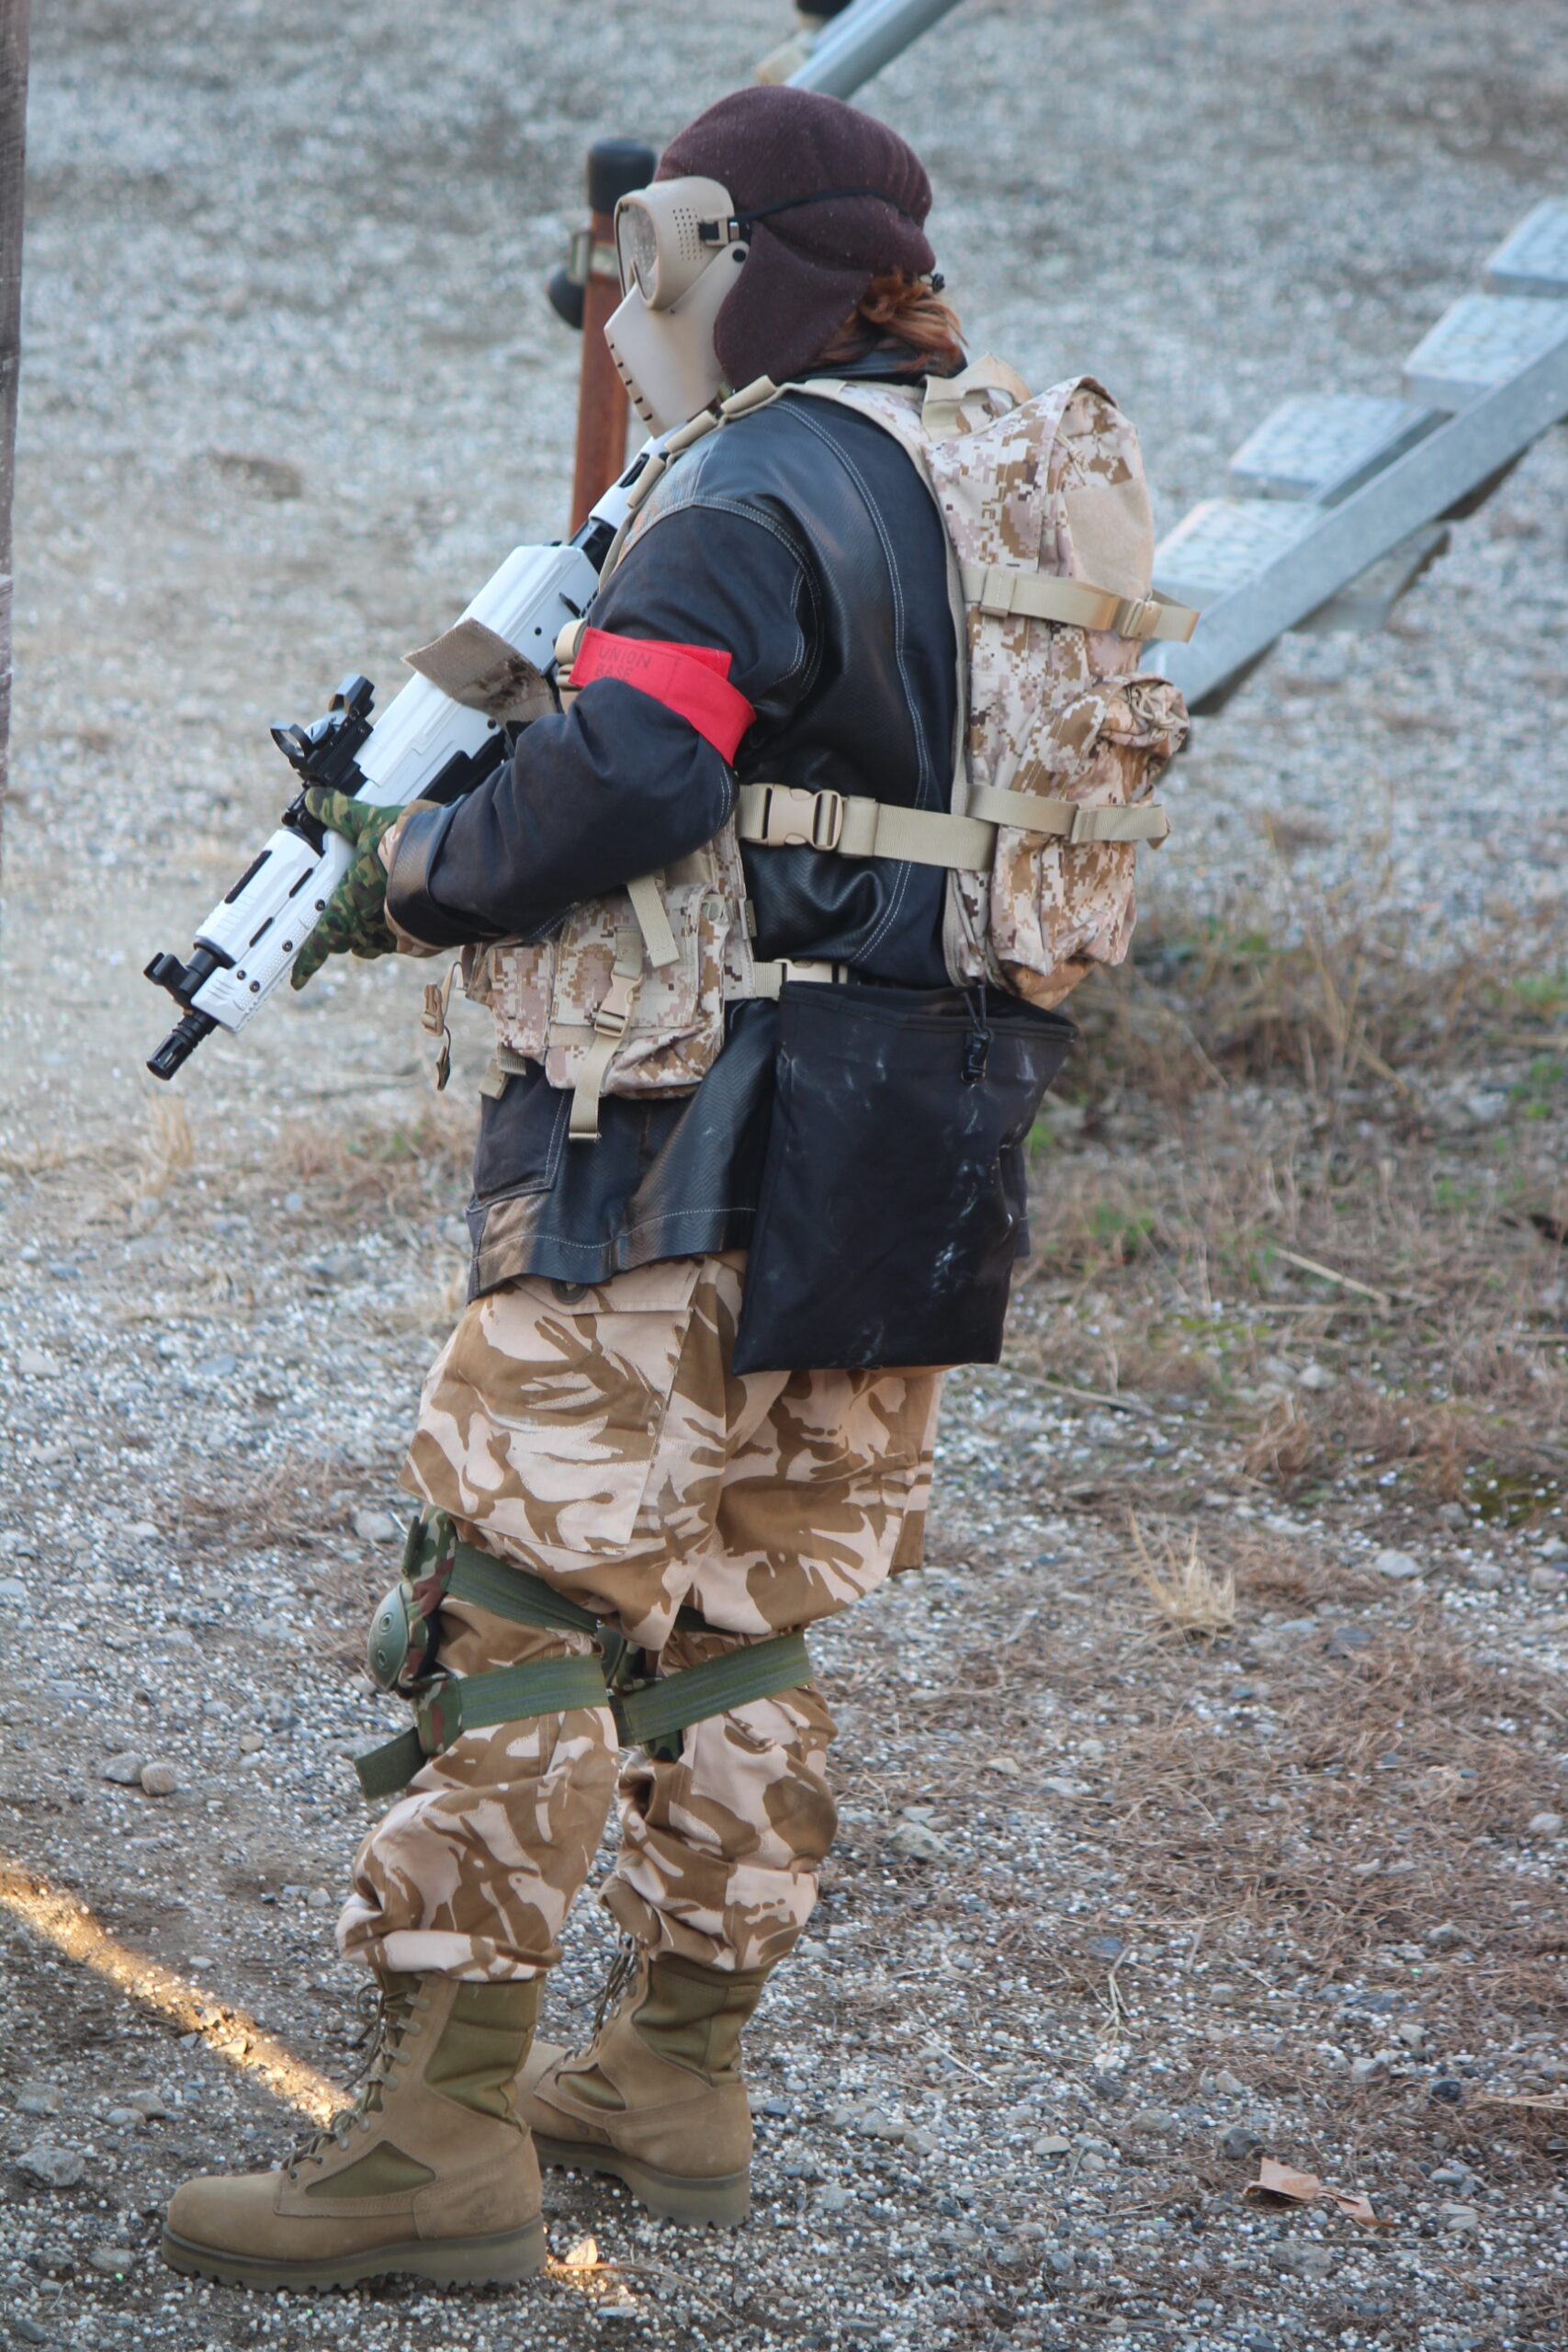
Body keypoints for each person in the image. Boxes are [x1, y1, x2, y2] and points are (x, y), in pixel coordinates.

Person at [162, 82, 1125, 2292]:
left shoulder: (746, 487)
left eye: (637, 263)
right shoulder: (986, 472)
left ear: (714, 252)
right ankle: (674, 2073)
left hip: (682, 1136)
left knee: (515, 1606)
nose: (618, 309)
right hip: (919, 1138)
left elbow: (641, 761)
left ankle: (437, 2142)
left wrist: (413, 869)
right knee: (740, 1607)